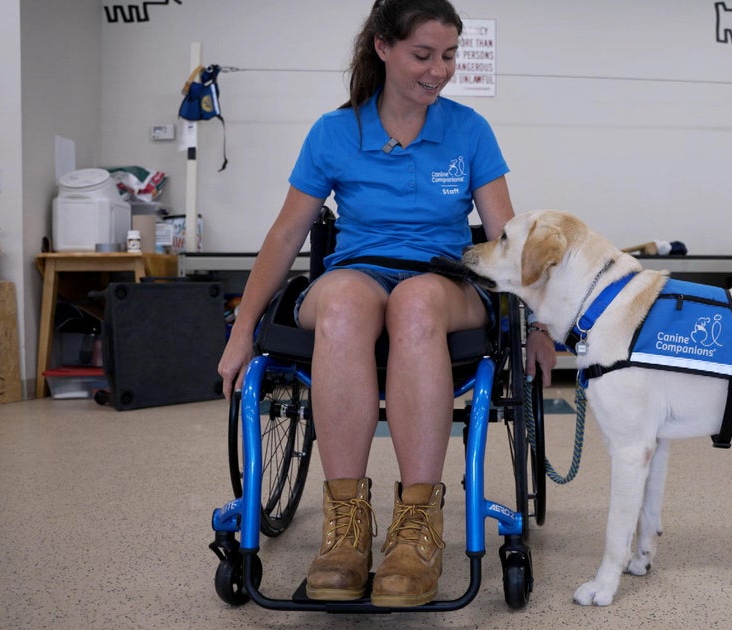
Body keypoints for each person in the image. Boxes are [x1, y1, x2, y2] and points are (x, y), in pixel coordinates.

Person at [217, 0, 556, 608]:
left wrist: (540, 319)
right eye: (422, 55)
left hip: (445, 282)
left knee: (418, 302)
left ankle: (417, 527)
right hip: (357, 275)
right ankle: (346, 527)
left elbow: (508, 241)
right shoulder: (335, 132)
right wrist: (243, 329)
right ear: (382, 47)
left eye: (449, 56)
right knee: (345, 301)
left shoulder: (469, 130)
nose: (438, 70)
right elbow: (285, 237)